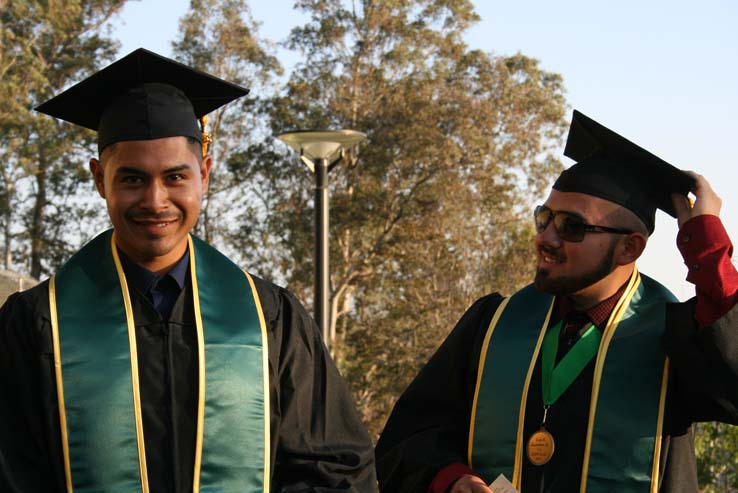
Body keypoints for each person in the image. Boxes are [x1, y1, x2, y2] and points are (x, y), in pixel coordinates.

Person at [0, 48, 376, 492]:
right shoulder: (37, 325)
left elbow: (332, 469)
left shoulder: (269, 320)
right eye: (133, 178)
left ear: (205, 174)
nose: (156, 201)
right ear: (100, 179)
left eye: (175, 177)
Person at [375, 110, 738, 493]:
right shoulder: (492, 325)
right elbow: (408, 438)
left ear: (629, 248)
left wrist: (708, 246)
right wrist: (453, 479)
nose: (545, 238)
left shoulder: (674, 337)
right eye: (544, 218)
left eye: (571, 227)